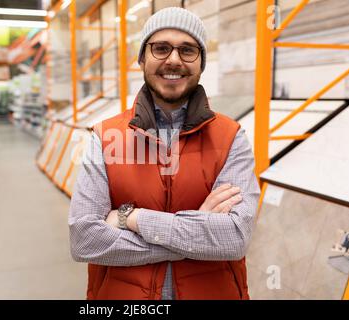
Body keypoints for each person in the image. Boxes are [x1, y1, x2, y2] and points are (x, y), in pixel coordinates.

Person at [69, 7, 260, 300]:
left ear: (201, 62)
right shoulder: (105, 137)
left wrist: (130, 219)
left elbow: (233, 238)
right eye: (161, 48)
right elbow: (85, 239)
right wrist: (198, 230)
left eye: (187, 50)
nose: (173, 60)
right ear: (142, 58)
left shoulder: (231, 137)